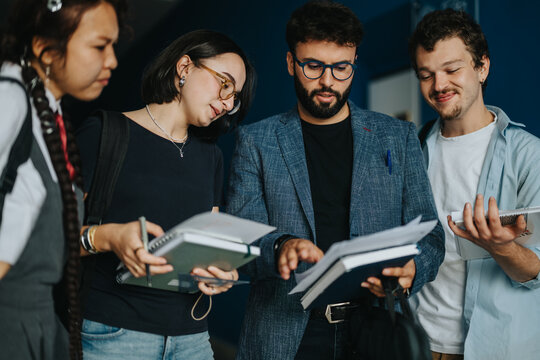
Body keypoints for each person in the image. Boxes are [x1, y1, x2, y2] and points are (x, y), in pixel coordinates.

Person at [226, 1, 444, 359]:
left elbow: (432, 236)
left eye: (341, 67)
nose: (327, 81)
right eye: (313, 66)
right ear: (290, 63)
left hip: (376, 332)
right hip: (286, 334)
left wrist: (414, 269)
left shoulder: (397, 137)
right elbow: (240, 242)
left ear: (354, 62)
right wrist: (280, 247)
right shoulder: (256, 141)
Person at [75, 29, 255, 360]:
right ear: (185, 67)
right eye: (225, 84)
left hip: (193, 339)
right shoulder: (104, 133)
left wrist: (218, 271)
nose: (228, 103)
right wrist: (109, 237)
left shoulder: (211, 157)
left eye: (236, 96)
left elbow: (207, 246)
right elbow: (48, 243)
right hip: (112, 336)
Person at [408, 8, 540, 360]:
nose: (438, 86)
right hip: (416, 341)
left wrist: (502, 247)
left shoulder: (527, 155)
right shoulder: (413, 149)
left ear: (482, 67)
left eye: (452, 70)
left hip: (494, 348)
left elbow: (536, 271)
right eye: (426, 75)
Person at [0, 0, 127, 359]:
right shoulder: (8, 100)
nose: (113, 60)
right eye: (100, 46)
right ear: (45, 49)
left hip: (40, 323)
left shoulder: (49, 113)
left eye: (114, 46)